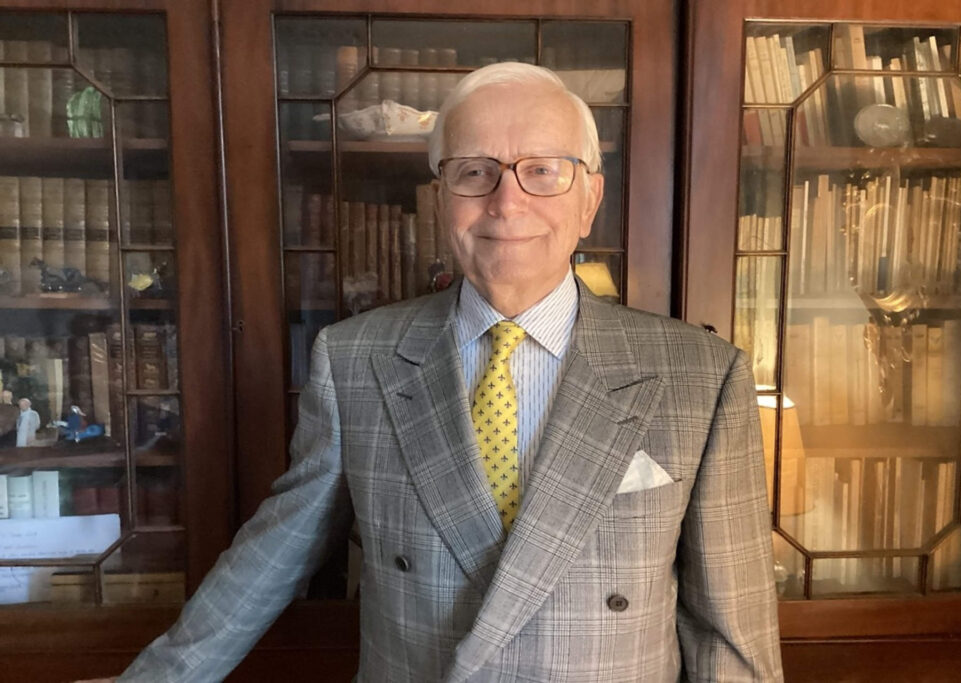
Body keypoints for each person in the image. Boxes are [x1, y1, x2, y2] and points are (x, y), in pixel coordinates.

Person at [106, 62, 782, 681]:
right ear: (440, 201)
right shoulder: (355, 359)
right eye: (473, 171)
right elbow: (275, 551)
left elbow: (730, 631)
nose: (507, 202)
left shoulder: (702, 376)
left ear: (589, 200)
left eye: (542, 170)